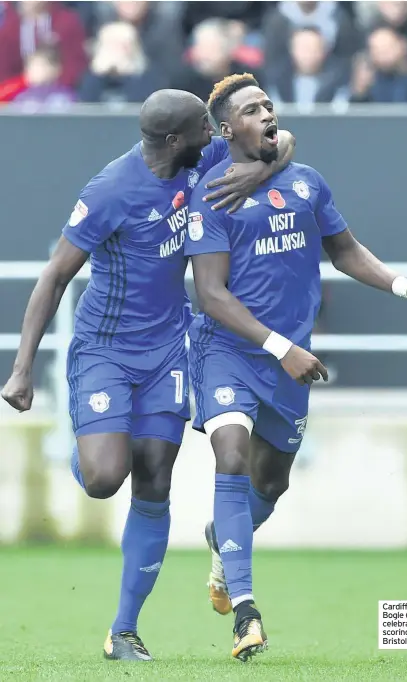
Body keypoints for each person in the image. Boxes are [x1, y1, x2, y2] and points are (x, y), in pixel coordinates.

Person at [1, 88, 295, 662]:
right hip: (105, 351)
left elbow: (280, 142)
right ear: (172, 141)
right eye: (202, 132)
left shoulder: (203, 160)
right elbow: (54, 277)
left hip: (167, 349)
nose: (214, 139)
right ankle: (90, 448)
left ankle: (124, 630)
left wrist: (259, 173)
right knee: (107, 476)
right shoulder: (111, 190)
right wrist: (20, 369)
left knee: (155, 475)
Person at [184, 73, 407, 661]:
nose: (268, 114)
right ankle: (246, 614)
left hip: (289, 361)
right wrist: (281, 347)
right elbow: (212, 295)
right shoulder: (212, 192)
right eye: (252, 110)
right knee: (230, 455)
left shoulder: (305, 183)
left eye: (270, 105)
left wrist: (406, 286)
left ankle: (221, 538)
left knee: (270, 483)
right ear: (227, 129)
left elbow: (344, 249)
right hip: (230, 349)